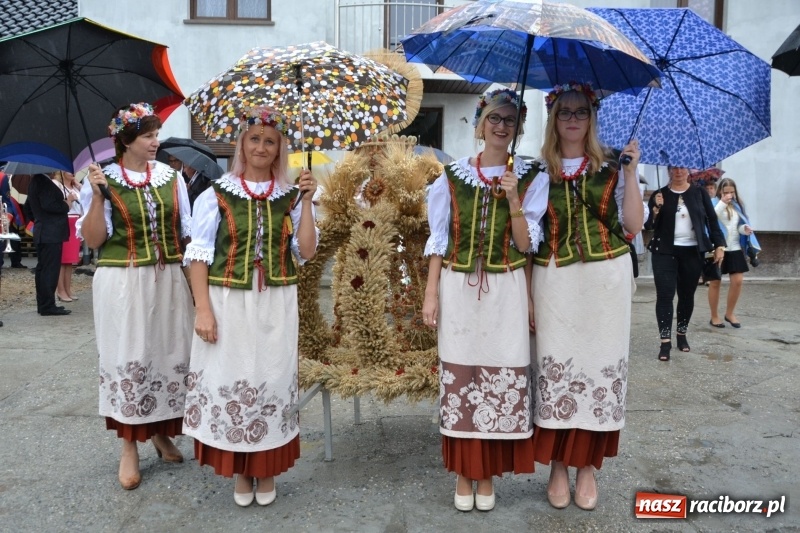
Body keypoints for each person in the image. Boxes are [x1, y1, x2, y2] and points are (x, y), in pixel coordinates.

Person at [182, 106, 318, 507]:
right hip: (230, 302)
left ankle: (267, 468)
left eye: (270, 141)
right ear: (242, 144)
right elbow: (199, 257)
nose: (261, 146)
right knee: (234, 377)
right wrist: (203, 310)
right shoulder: (217, 194)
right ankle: (242, 471)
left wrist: (308, 202)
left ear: (279, 150)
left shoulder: (292, 196)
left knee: (271, 380)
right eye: (255, 139)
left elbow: (306, 250)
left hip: (276, 303)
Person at [422, 88, 548, 512]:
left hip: (506, 288)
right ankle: (463, 473)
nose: (501, 126)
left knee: (498, 372)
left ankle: (488, 473)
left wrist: (513, 197)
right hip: (458, 287)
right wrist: (430, 295)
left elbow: (525, 243)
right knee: (462, 376)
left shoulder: (531, 177)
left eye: (510, 120)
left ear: (518, 129)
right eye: (494, 118)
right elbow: (438, 241)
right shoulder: (452, 175)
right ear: (481, 123)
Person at [529, 82, 643, 511]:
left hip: (604, 280)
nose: (573, 119)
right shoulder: (537, 171)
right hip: (554, 280)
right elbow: (528, 237)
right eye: (564, 112)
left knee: (598, 368)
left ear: (592, 118)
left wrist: (631, 173)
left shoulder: (613, 166)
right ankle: (558, 464)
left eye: (580, 112)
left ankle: (587, 467)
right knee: (556, 368)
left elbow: (631, 225)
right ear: (553, 119)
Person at [78, 102, 194, 490]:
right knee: (129, 356)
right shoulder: (101, 179)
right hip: (123, 281)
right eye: (147, 136)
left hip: (168, 281)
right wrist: (97, 197)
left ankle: (160, 432)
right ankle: (129, 446)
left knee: (167, 355)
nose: (155, 142)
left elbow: (186, 229)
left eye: (156, 134)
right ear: (126, 141)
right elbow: (93, 240)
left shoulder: (170, 177)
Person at [646, 166, 725, 360]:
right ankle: (665, 341)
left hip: (692, 252)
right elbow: (649, 225)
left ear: (688, 171)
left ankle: (681, 333)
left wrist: (719, 245)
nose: (678, 171)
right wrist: (656, 209)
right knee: (665, 295)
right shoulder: (659, 194)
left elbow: (712, 221)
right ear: (668, 171)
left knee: (686, 294)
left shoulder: (699, 193)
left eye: (682, 168)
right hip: (664, 252)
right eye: (674, 168)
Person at [708, 177, 759, 328]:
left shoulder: (737, 206)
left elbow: (738, 226)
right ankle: (714, 316)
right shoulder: (714, 203)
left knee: (737, 281)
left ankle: (730, 313)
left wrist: (745, 229)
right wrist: (723, 202)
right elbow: (711, 217)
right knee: (715, 283)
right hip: (718, 247)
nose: (729, 195)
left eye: (731, 192)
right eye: (726, 192)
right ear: (720, 192)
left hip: (735, 247)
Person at [28, 172, 74, 316]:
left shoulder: (36, 181)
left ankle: (44, 303)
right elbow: (50, 205)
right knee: (50, 269)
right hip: (50, 232)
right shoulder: (42, 181)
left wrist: (38, 219)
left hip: (44, 230)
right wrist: (67, 203)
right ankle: (47, 305)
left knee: (43, 269)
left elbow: (28, 207)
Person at [53, 171, 82, 301]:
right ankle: (60, 290)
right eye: (69, 171)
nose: (73, 173)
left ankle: (68, 289)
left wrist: (79, 186)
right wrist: (69, 200)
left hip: (76, 221)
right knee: (62, 259)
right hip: (65, 220)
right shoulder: (57, 185)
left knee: (70, 260)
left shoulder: (76, 186)